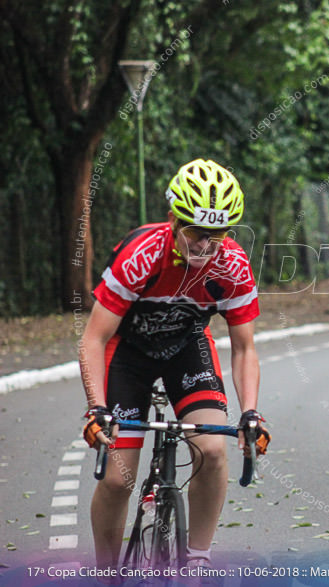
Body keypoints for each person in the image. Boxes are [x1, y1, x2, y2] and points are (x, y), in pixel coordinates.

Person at [79, 158, 270, 573]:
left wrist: (251, 412)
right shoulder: (142, 254)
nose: (207, 246)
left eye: (218, 236)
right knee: (116, 478)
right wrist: (97, 407)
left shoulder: (232, 264)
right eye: (198, 235)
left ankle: (196, 563)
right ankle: (107, 573)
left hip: (186, 348)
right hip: (127, 355)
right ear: (173, 221)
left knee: (213, 450)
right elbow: (93, 338)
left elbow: (243, 347)